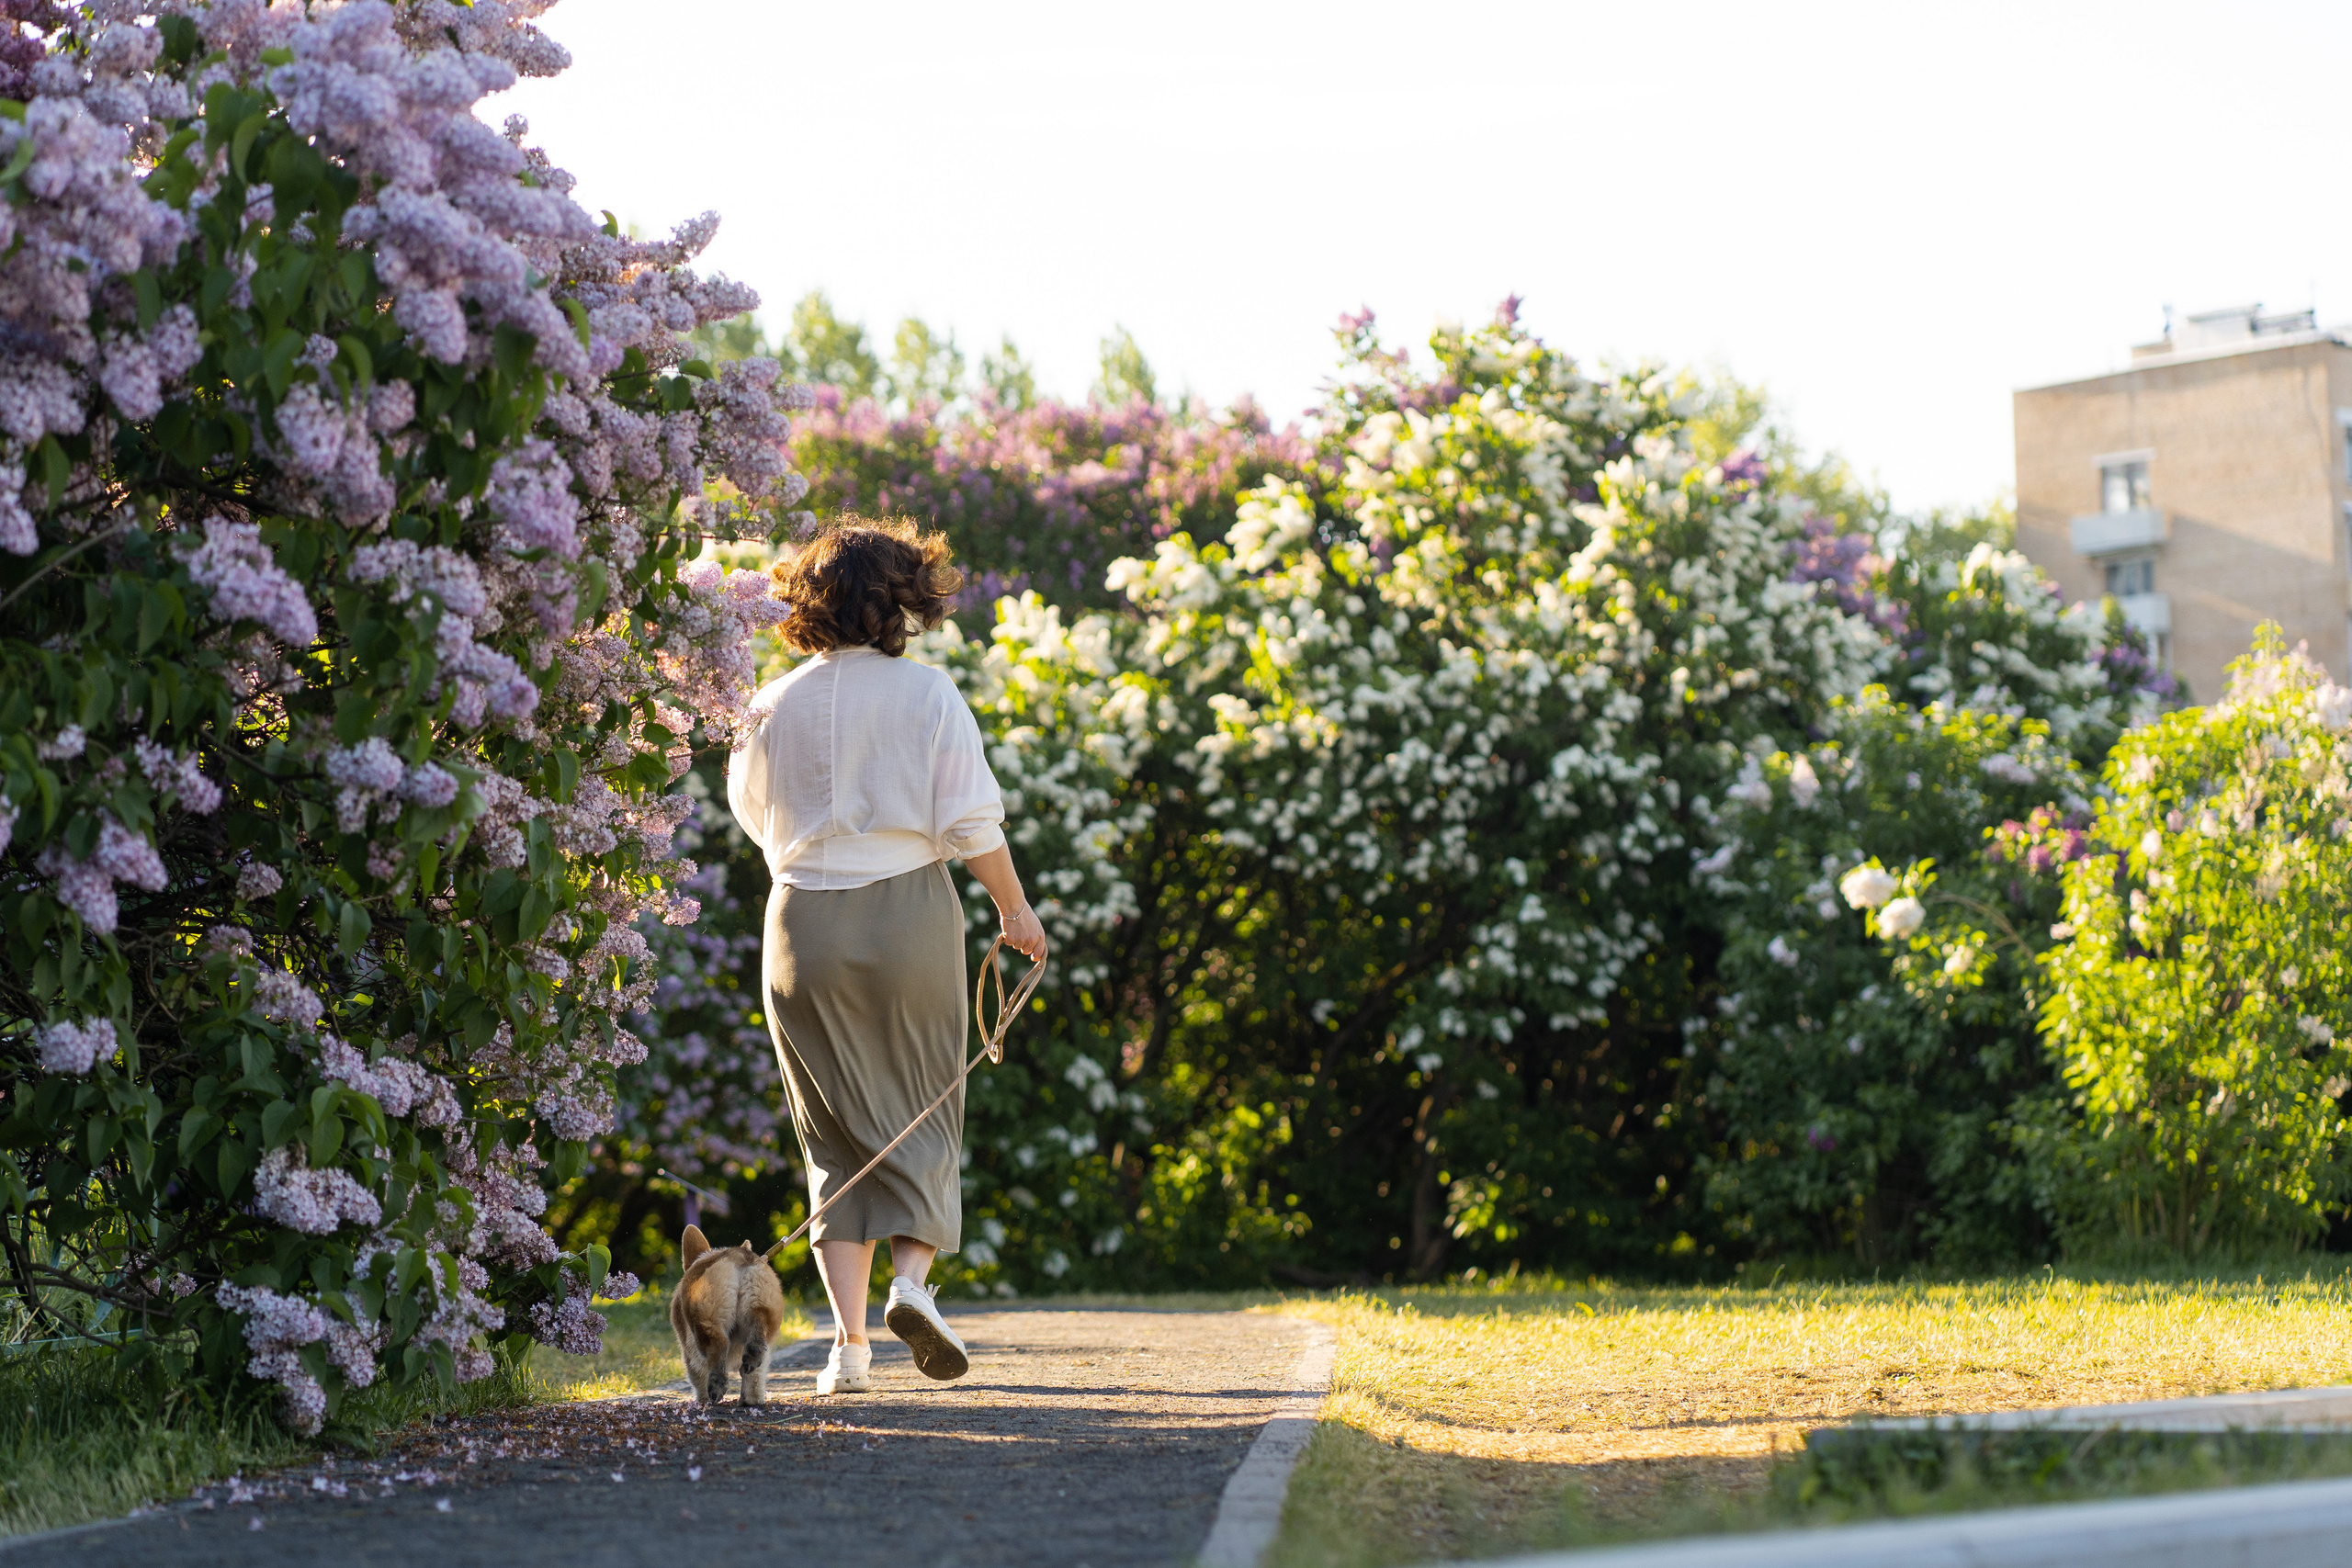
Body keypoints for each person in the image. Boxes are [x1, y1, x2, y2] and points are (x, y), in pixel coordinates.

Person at [725, 516, 1047, 1395]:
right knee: (924, 1108)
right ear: (899, 598)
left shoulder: (769, 703)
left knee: (831, 1135)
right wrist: (1015, 911)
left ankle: (849, 1351)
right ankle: (912, 1285)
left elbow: (752, 813)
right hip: (908, 911)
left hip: (801, 923)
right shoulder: (928, 694)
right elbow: (970, 820)